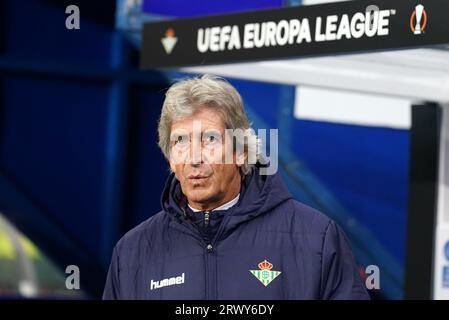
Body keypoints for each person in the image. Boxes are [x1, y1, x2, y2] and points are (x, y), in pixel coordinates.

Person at [103, 75, 369, 300]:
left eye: (209, 139)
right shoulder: (132, 253)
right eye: (180, 141)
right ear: (170, 158)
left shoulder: (317, 239)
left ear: (241, 152)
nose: (195, 157)